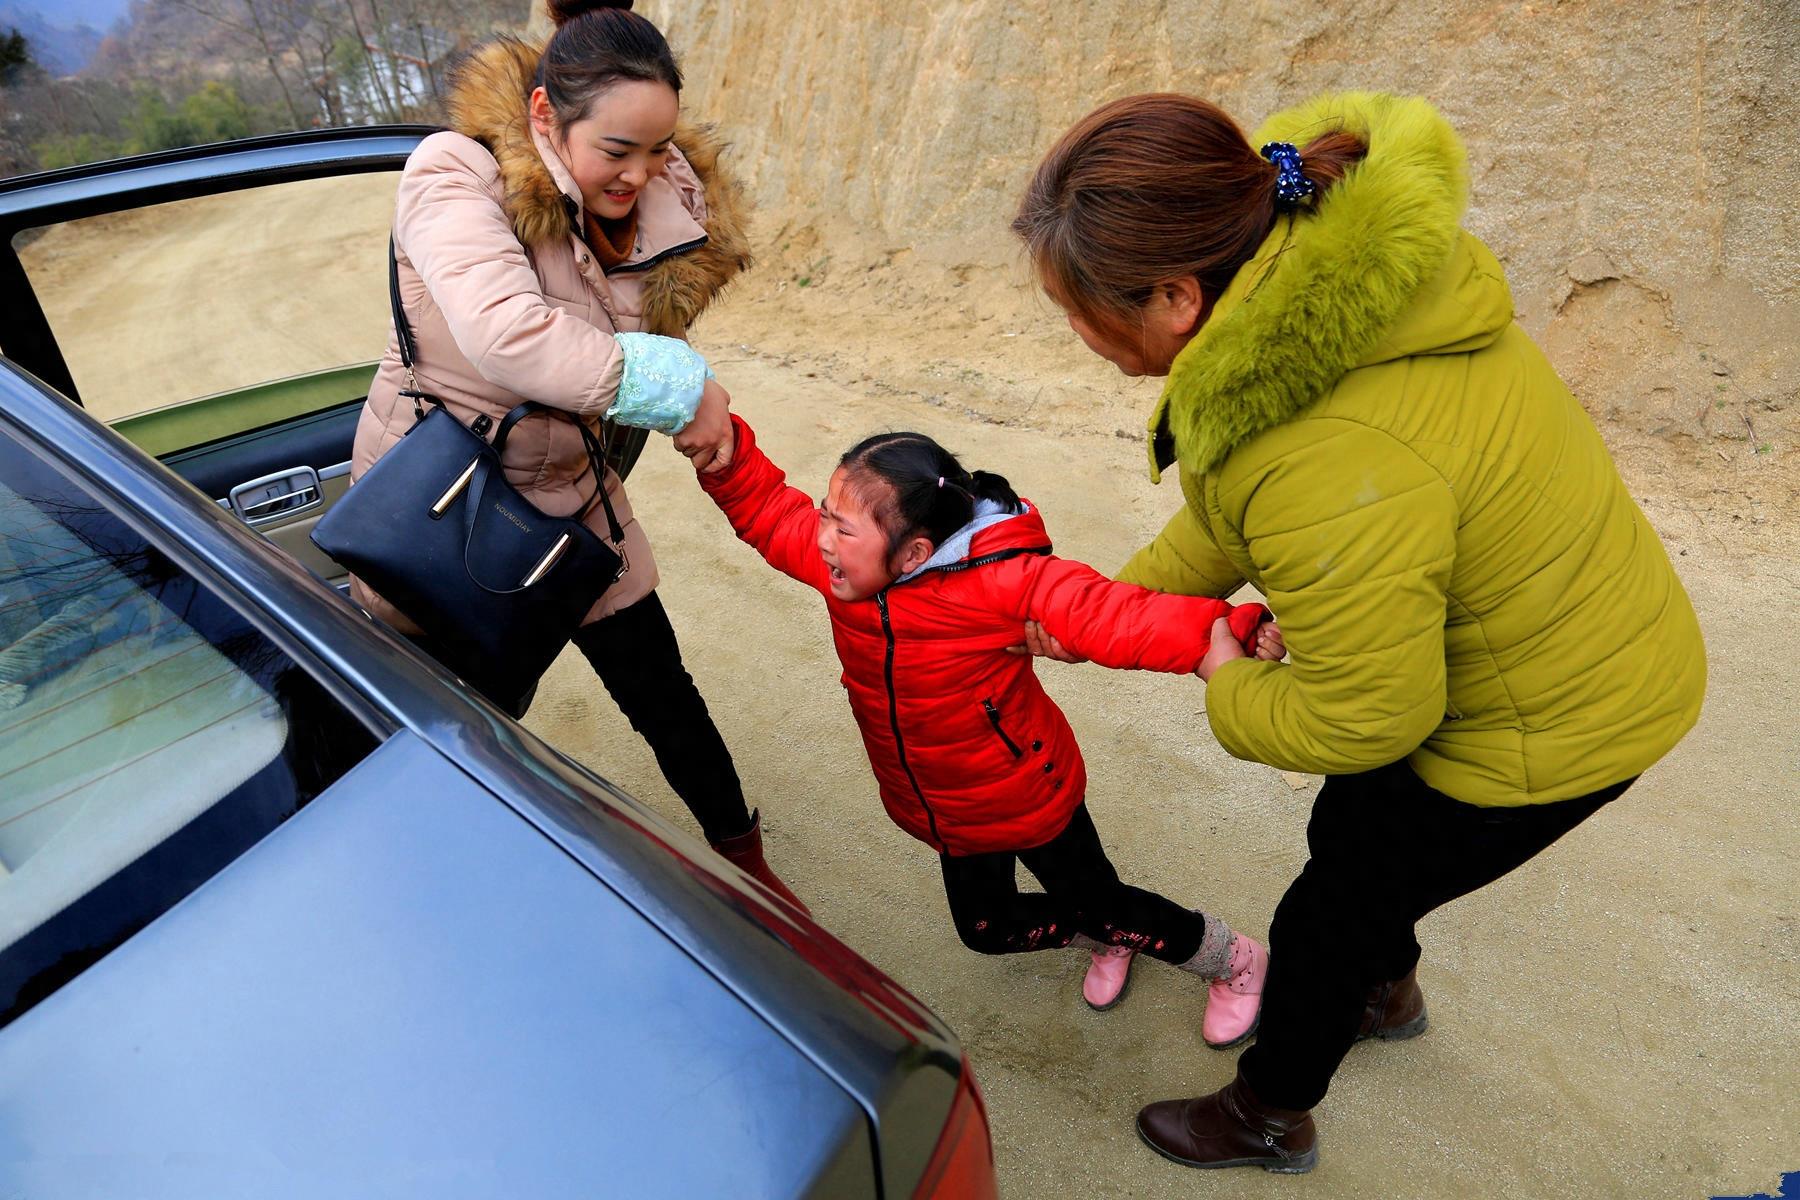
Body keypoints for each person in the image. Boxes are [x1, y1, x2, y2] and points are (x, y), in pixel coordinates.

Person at [1011, 90, 1706, 1173]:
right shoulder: (1326, 292)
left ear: (1177, 298)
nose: (1078, 332)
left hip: (1556, 722)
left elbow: (1364, 714)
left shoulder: (1315, 449)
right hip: (1581, 633)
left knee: (1328, 908)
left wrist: (1217, 665)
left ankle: (1269, 1111)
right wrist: (1111, 604)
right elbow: (1239, 513)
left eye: (1080, 307)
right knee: (1360, 846)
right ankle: (1382, 985)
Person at [347, 0, 803, 908]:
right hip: (451, 504)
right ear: (545, 116)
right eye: (616, 151)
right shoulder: (455, 174)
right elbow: (510, 334)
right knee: (457, 722)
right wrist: (684, 388)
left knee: (662, 688)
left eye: (657, 148)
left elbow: (637, 327)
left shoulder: (664, 200)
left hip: (578, 496)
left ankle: (746, 864)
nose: (638, 173)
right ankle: (441, 885)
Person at [692, 411, 1285, 1039]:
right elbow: (773, 515)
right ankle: (1107, 937)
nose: (822, 540)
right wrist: (725, 460)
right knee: (987, 930)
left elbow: (1115, 614)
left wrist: (1231, 635)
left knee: (1101, 901)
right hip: (952, 805)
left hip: (1027, 787)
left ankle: (1232, 959)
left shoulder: (999, 583)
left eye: (842, 528)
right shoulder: (851, 575)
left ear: (914, 552)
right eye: (825, 516)